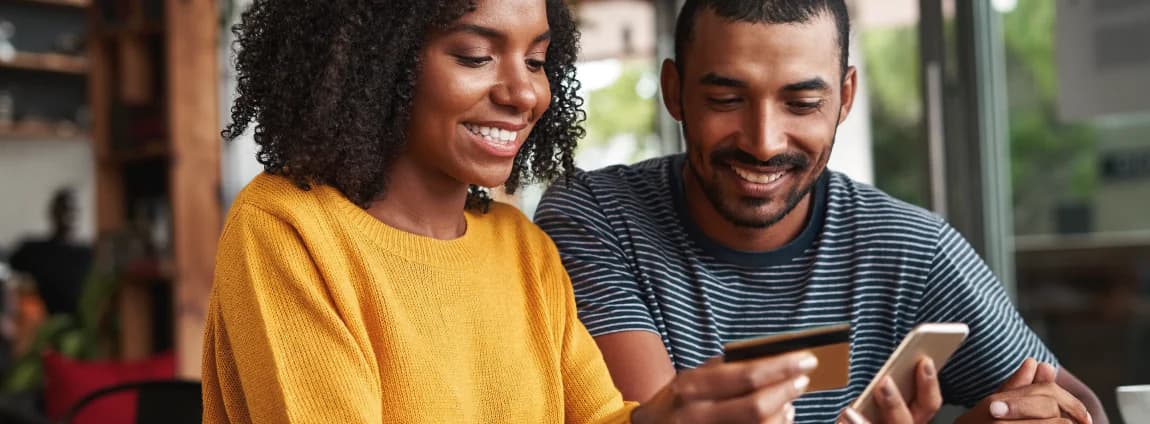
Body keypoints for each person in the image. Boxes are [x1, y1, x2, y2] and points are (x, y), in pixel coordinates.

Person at [199, 0, 894, 422]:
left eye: (536, 60)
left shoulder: (519, 248)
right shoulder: (289, 229)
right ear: (376, 64)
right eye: (475, 55)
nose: (524, 94)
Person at [534, 1, 1106, 423]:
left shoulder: (911, 250)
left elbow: (1082, 408)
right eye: (726, 99)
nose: (763, 141)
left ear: (846, 98)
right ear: (675, 91)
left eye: (802, 103)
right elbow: (661, 418)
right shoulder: (596, 218)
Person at [8, 188, 92, 317]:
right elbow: (6, 270)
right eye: (64, 208)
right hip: (45, 324)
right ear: (53, 212)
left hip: (83, 325)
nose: (69, 215)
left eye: (74, 209)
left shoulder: (89, 254)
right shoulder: (33, 251)